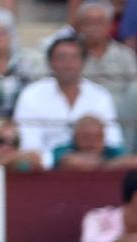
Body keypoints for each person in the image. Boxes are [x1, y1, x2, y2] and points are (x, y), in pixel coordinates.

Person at [14, 31, 123, 160]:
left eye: (74, 57)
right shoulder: (31, 95)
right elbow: (29, 146)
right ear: (51, 63)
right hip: (46, 170)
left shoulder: (100, 95)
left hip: (96, 165)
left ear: (83, 62)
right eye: (62, 57)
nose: (68, 64)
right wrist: (58, 159)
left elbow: (113, 141)